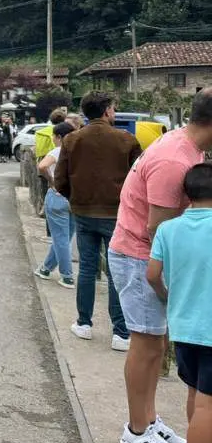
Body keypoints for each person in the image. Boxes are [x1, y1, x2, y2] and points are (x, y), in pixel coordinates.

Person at [108, 90, 212, 443]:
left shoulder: (187, 147)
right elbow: (159, 229)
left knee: (156, 344)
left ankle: (150, 420)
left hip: (141, 254)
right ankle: (137, 431)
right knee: (146, 344)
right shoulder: (174, 159)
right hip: (138, 257)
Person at [55, 91, 140, 352]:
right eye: (113, 108)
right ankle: (121, 331)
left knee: (87, 269)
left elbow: (60, 179)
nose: (114, 112)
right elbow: (139, 179)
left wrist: (76, 199)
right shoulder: (127, 139)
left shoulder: (72, 139)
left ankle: (84, 323)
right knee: (117, 273)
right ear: (106, 111)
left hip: (83, 212)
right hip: (116, 213)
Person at [148, 163, 212, 443]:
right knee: (207, 404)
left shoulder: (167, 229)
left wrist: (166, 295)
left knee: (195, 396)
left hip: (183, 327)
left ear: (186, 195)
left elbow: (152, 274)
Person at [34, 122, 78, 288]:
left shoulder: (58, 151)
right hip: (74, 198)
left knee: (60, 238)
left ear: (59, 137)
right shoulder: (80, 152)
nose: (52, 139)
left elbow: (42, 166)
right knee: (64, 238)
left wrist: (52, 181)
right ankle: (46, 268)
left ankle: (67, 276)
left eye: (54, 136)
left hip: (58, 196)